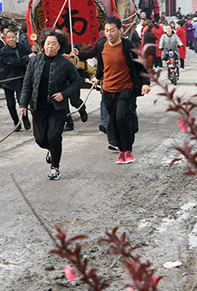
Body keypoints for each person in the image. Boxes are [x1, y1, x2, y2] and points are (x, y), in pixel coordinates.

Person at [19, 31, 81, 180]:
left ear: (59, 46)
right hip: (38, 107)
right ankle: (52, 150)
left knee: (54, 136)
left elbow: (77, 81)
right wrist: (23, 104)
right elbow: (27, 83)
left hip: (57, 108)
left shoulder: (65, 63)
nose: (50, 46)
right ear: (43, 45)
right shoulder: (35, 61)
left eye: (54, 43)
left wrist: (64, 94)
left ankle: (55, 167)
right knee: (40, 139)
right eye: (48, 43)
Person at [93, 16, 151, 164]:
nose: (109, 34)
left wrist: (145, 82)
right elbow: (101, 66)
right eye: (106, 31)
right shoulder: (101, 46)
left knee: (121, 117)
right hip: (108, 90)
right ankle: (121, 150)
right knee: (113, 121)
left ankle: (128, 149)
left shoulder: (128, 46)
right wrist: (97, 77)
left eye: (112, 30)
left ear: (120, 30)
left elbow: (141, 65)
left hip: (126, 88)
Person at [0, 30, 33, 130]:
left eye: (13, 37)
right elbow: (13, 62)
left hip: (21, 78)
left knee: (22, 100)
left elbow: (28, 55)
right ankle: (16, 122)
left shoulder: (21, 47)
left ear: (16, 38)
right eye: (9, 38)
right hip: (8, 79)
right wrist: (27, 57)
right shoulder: (4, 51)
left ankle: (25, 118)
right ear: (5, 39)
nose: (11, 39)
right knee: (10, 103)